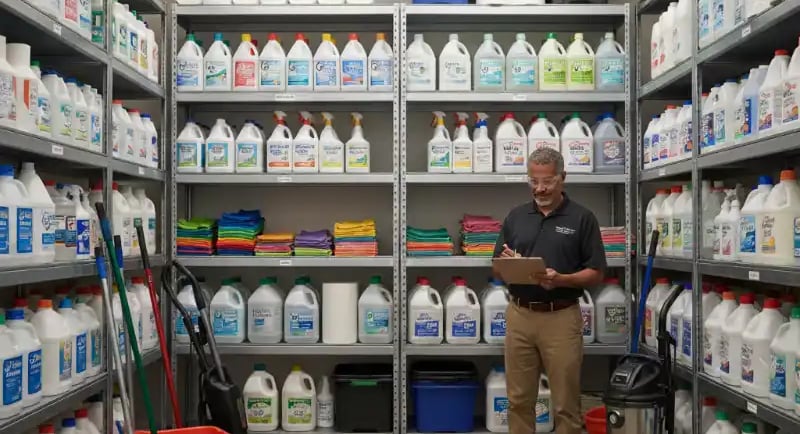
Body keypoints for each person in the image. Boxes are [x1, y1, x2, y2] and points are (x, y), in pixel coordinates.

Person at [493, 147, 606, 434]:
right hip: (519, 315)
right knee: (518, 400)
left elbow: (596, 272)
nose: (540, 189)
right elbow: (495, 268)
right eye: (533, 181)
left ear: (562, 178)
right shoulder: (516, 216)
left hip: (561, 317)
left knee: (566, 404)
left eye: (548, 181)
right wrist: (507, 265)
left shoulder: (582, 218)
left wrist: (562, 279)